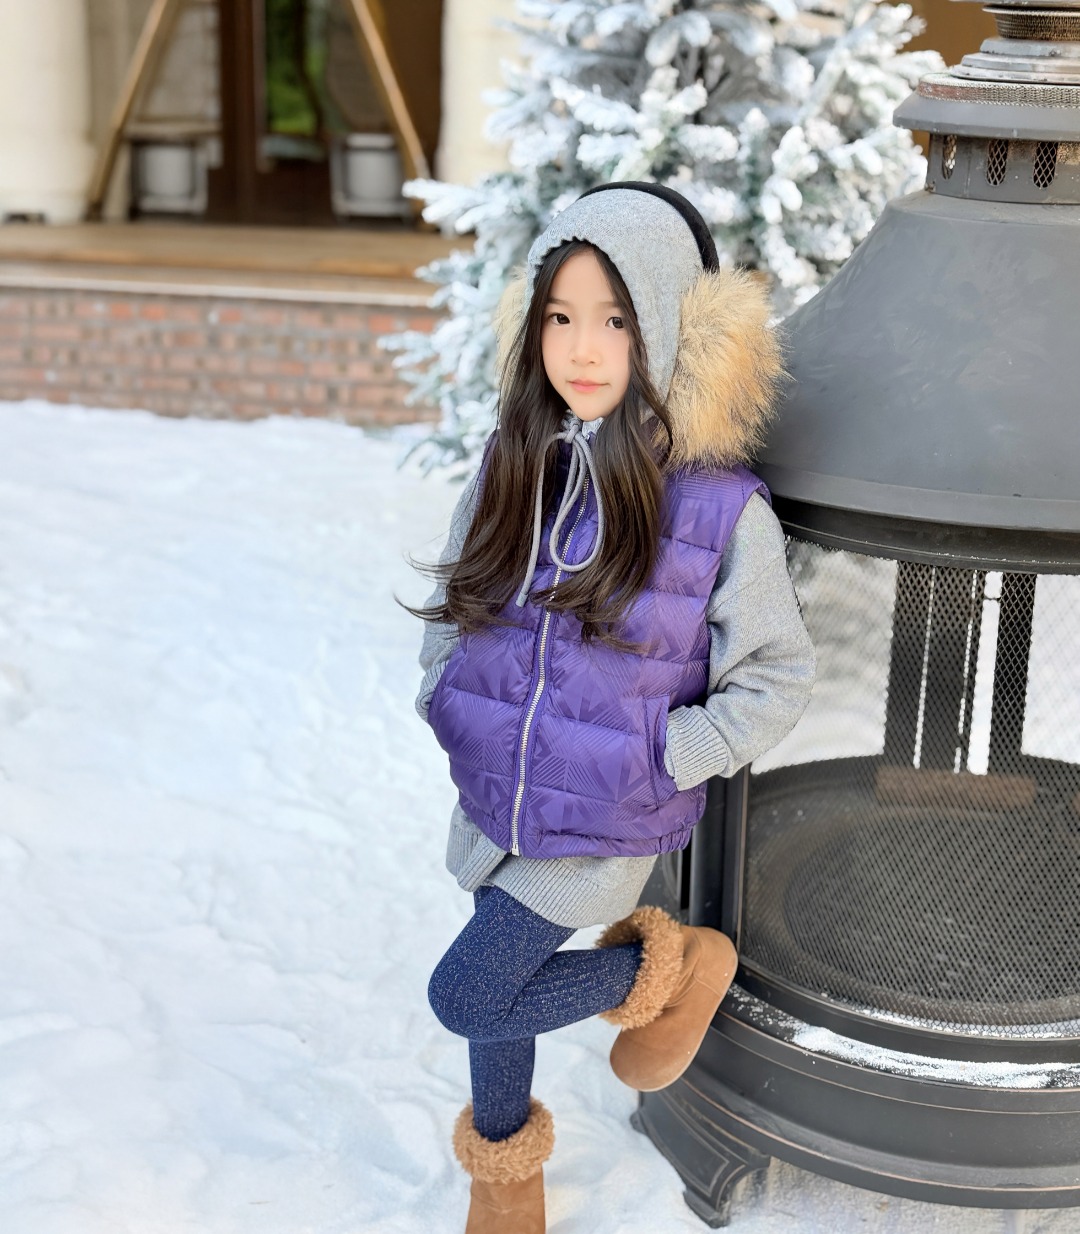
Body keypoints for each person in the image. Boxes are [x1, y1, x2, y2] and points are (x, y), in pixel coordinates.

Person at [408, 183, 815, 1234]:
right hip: (495, 792)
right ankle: (507, 1183)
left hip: (604, 818)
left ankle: (670, 970)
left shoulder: (717, 509)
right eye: (560, 316)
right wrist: (444, 695)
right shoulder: (512, 465)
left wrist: (662, 755)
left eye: (616, 319)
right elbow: (457, 600)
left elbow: (777, 675)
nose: (582, 348)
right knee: (501, 988)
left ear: (669, 326)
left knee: (468, 992)